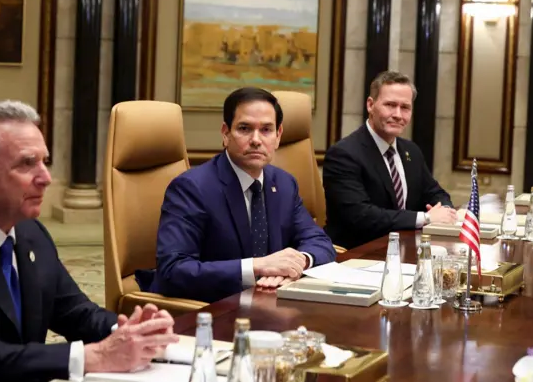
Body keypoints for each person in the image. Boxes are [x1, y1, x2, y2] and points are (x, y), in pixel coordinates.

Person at [0, 101, 178, 382]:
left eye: (44, 161)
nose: (46, 178)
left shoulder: (29, 233)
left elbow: (77, 314)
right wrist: (94, 356)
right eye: (27, 164)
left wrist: (129, 332)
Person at [135, 87, 336, 303]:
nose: (256, 140)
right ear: (225, 133)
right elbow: (173, 271)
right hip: (208, 309)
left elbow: (319, 242)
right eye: (244, 128)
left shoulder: (284, 184)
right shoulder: (192, 188)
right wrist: (258, 266)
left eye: (266, 130)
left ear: (278, 136)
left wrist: (299, 262)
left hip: (266, 303)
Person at [322, 71, 456, 249]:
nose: (398, 115)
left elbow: (435, 192)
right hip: (358, 255)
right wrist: (427, 218)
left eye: (405, 107)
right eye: (390, 105)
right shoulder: (343, 154)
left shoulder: (411, 151)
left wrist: (445, 211)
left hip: (405, 249)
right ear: (371, 105)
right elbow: (360, 216)